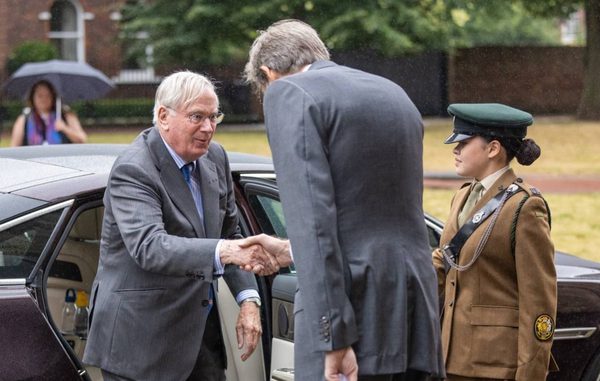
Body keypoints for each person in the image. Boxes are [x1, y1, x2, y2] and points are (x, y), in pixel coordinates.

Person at [242, 19, 445, 381]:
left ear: (268, 72)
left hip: (348, 316)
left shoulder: (288, 93)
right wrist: (292, 250)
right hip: (414, 308)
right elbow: (372, 210)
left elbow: (312, 218)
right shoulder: (393, 93)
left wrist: (331, 335)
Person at [83, 71, 274, 381]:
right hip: (141, 343)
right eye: (197, 116)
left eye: (214, 117)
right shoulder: (134, 168)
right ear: (163, 116)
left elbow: (231, 236)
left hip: (199, 339)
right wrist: (225, 251)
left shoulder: (215, 157)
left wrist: (248, 300)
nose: (208, 128)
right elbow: (150, 247)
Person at [431, 103, 557, 380]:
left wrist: (530, 374)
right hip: (451, 357)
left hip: (495, 365)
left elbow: (539, 302)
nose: (455, 150)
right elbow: (446, 261)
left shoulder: (524, 207)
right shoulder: (463, 196)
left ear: (493, 149)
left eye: (463, 143)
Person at [10, 80, 87, 146]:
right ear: (32, 97)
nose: (44, 99)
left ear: (53, 97)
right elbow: (14, 147)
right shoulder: (24, 119)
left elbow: (82, 140)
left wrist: (65, 129)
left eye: (48, 95)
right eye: (40, 96)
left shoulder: (66, 116)